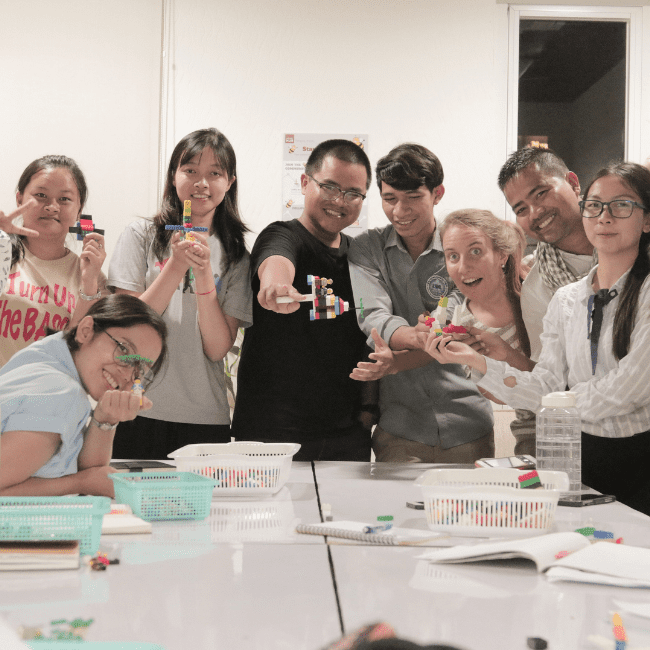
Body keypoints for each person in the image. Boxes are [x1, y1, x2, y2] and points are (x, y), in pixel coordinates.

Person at [426, 162, 650, 516]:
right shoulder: (565, 299)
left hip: (641, 460)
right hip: (579, 461)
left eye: (621, 206)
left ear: (647, 219)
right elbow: (545, 381)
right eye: (595, 207)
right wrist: (476, 361)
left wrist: (560, 401)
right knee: (583, 547)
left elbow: (632, 386)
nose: (604, 217)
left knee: (638, 562)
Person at [108, 128, 252, 458]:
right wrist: (175, 266)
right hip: (136, 408)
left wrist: (203, 275)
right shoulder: (141, 235)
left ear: (229, 182)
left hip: (204, 416)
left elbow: (217, 349)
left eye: (214, 173)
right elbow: (128, 327)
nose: (202, 183)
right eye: (190, 170)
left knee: (201, 510)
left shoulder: (237, 255)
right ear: (174, 176)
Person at [348, 144, 493, 463]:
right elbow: (372, 315)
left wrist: (418, 344)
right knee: (396, 514)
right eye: (390, 199)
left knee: (470, 514)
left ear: (437, 193)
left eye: (413, 197)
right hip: (401, 430)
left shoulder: (466, 248)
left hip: (468, 426)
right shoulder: (367, 249)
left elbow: (457, 325)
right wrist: (414, 336)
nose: (401, 210)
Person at [231, 139, 374, 461]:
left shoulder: (360, 256)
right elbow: (276, 261)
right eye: (330, 187)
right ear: (305, 182)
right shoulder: (282, 234)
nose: (340, 200)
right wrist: (275, 287)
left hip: (346, 434)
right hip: (273, 434)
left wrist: (368, 410)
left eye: (353, 193)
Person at [0, 294, 167, 497]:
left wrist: (106, 418)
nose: (127, 374)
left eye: (140, 369)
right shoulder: (61, 394)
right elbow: (89, 479)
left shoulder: (47, 353)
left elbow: (93, 472)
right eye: (124, 350)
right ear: (86, 331)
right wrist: (79, 484)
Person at [497, 147, 596, 454]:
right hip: (590, 435)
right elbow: (549, 380)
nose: (535, 213)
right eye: (520, 209)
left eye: (540, 193)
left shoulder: (627, 246)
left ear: (573, 183)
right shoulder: (537, 286)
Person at [436, 209, 536, 453]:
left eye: (476, 251)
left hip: (584, 425)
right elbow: (503, 397)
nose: (463, 267)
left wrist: (503, 356)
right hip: (531, 437)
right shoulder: (463, 321)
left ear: (502, 255)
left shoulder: (537, 290)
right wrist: (478, 362)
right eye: (452, 256)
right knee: (529, 484)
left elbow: (562, 381)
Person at [0, 155, 108, 367]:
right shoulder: (3, 251)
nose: (52, 207)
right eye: (40, 195)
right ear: (19, 198)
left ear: (79, 209)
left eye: (64, 199)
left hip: (50, 395)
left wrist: (88, 284)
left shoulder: (93, 276)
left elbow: (77, 355)